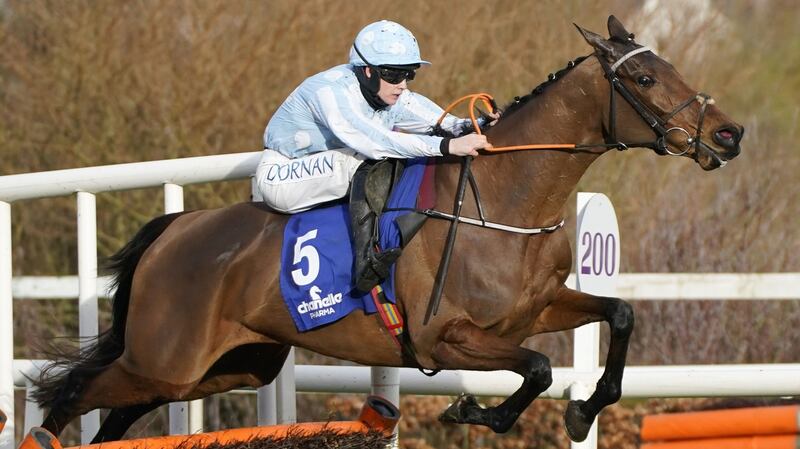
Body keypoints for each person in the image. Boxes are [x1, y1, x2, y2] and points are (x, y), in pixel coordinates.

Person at [256, 20, 496, 292]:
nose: (402, 85)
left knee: (401, 153)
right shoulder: (329, 92)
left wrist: (475, 124)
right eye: (393, 75)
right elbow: (376, 143)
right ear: (367, 71)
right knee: (368, 157)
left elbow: (445, 123)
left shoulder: (390, 94)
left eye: (409, 74)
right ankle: (367, 262)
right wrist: (446, 147)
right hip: (283, 177)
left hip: (330, 164)